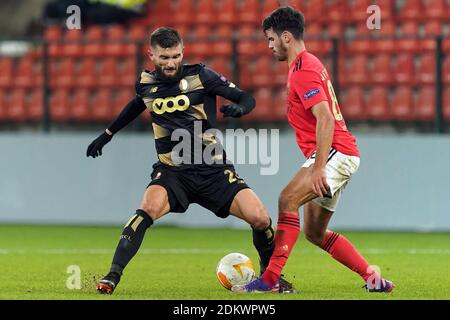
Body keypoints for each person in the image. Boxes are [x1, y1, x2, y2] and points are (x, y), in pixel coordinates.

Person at [86, 27, 295, 294]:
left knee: (261, 218)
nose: (171, 63)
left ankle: (270, 280)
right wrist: (107, 134)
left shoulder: (201, 75)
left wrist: (241, 108)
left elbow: (246, 97)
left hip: (213, 171)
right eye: (164, 57)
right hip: (173, 172)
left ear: (182, 51)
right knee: (146, 210)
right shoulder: (145, 83)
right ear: (151, 55)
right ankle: (111, 276)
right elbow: (137, 104)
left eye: (175, 56)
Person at [232, 7, 394, 293]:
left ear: (285, 37)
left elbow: (325, 117)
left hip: (336, 152)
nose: (269, 46)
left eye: (271, 39)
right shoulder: (306, 65)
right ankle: (374, 280)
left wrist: (319, 167)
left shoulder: (303, 70)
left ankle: (269, 281)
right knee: (315, 233)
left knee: (287, 199)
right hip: (342, 153)